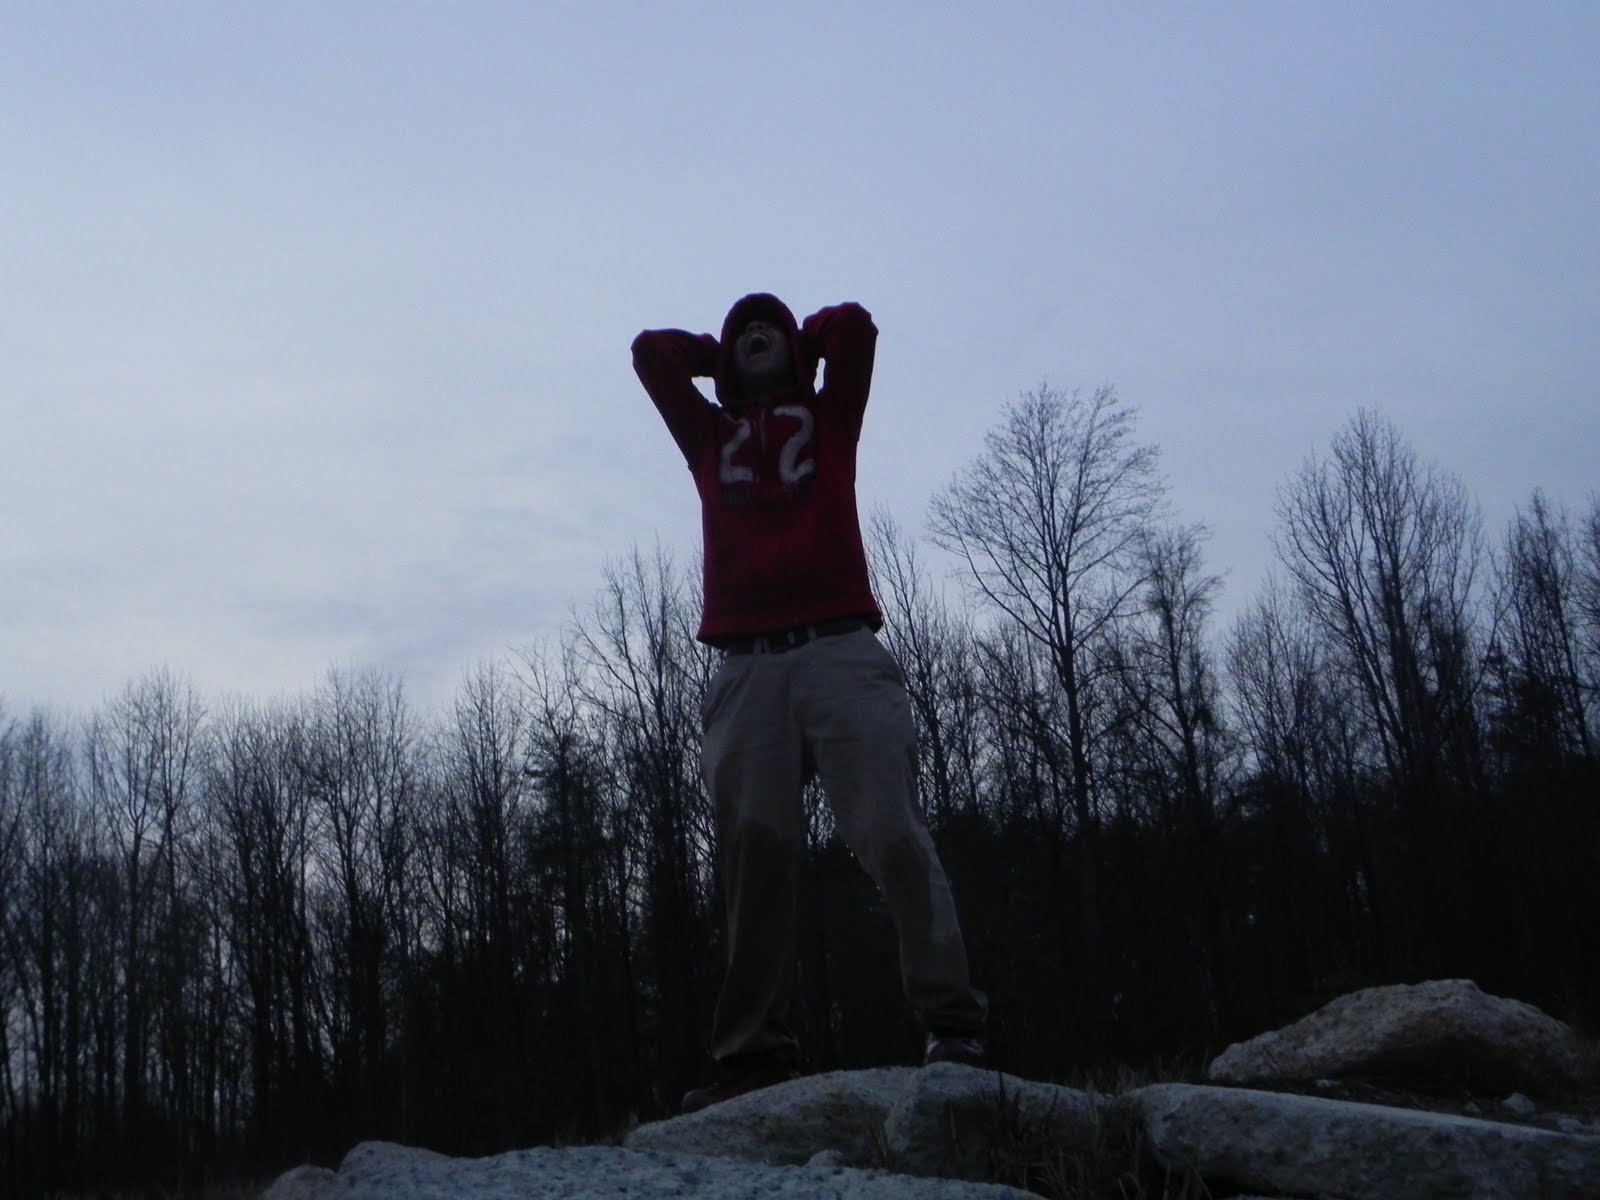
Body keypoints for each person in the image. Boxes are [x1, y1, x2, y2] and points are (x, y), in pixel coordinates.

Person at [631, 293, 989, 1113]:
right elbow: (650, 353)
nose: (755, 332)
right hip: (746, 667)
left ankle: (953, 1023)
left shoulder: (830, 422)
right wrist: (723, 356)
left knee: (890, 828)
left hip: (840, 651)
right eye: (743, 329)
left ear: (796, 348)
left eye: (771, 326)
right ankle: (754, 1054)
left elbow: (855, 328)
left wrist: (795, 341)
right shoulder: (709, 438)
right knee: (752, 860)